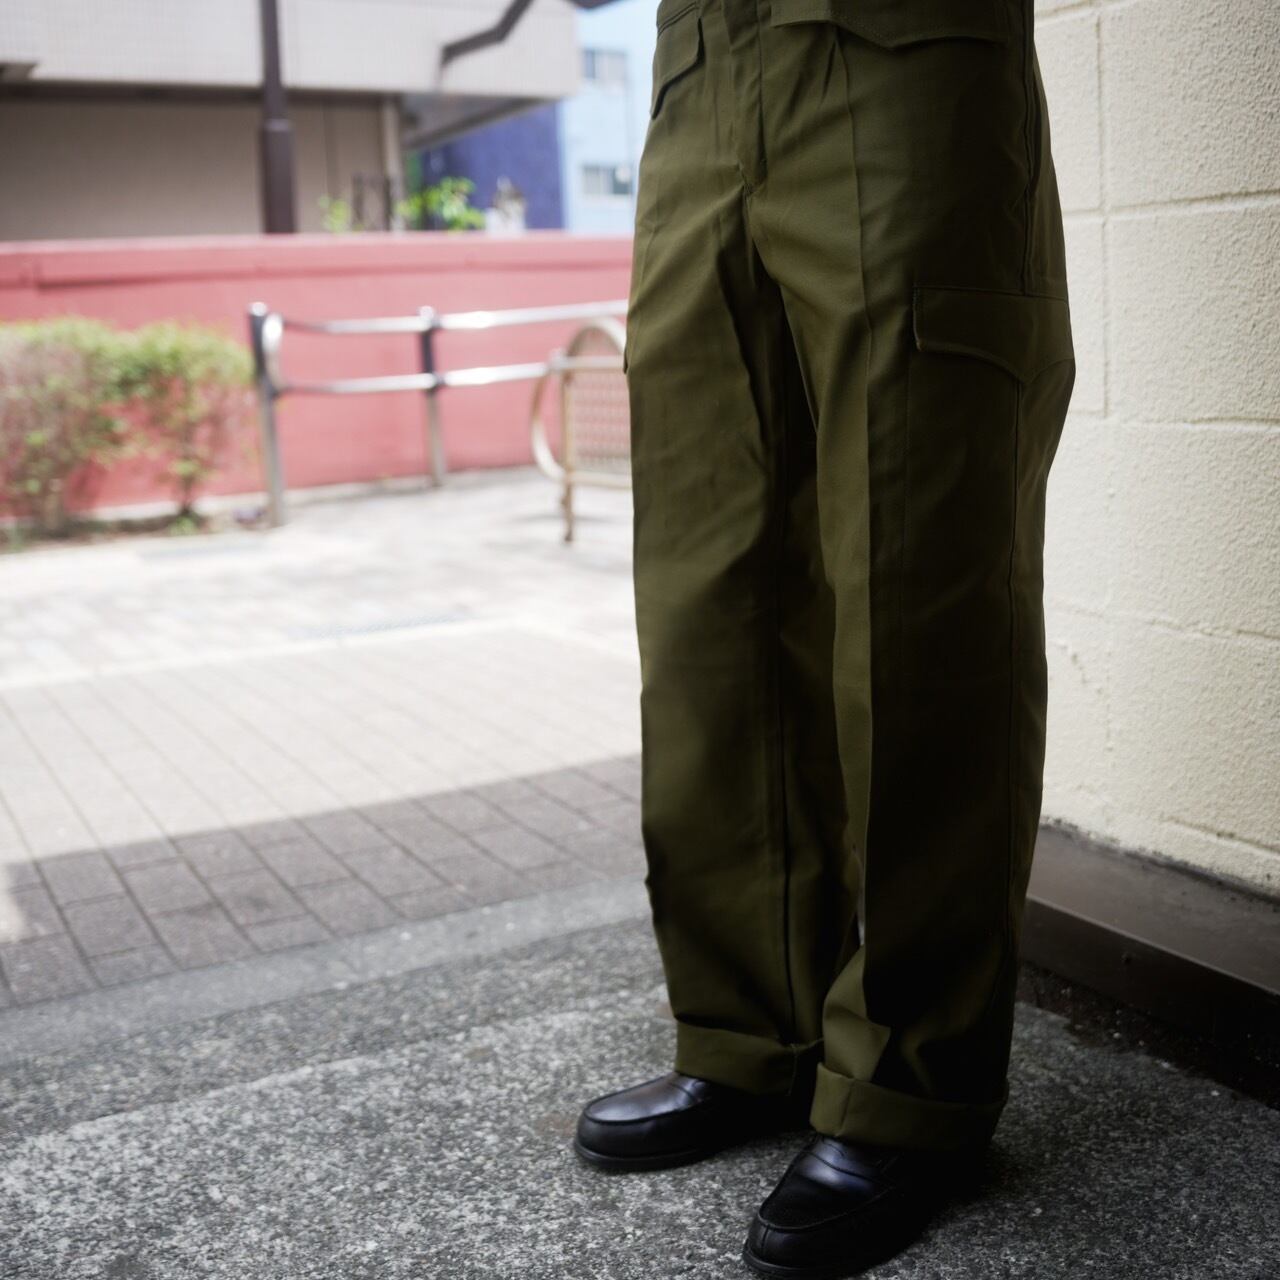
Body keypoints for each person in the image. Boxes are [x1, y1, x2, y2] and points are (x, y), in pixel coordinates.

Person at [573, 0, 1076, 1274]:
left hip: (895, 45)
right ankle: (747, 1034)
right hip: (697, 65)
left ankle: (909, 1085)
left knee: (916, 583)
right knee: (708, 589)